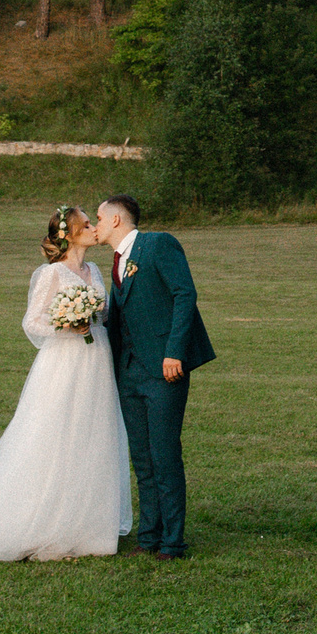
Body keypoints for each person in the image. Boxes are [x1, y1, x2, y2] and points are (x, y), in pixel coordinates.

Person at [0, 205, 131, 565]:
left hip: (96, 359)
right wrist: (67, 324)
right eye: (86, 224)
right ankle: (40, 524)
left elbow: (105, 313)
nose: (93, 228)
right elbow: (32, 323)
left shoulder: (94, 270)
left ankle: (86, 527)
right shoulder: (51, 274)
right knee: (54, 435)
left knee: (92, 435)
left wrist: (92, 315)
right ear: (69, 234)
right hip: (65, 362)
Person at [96, 193, 215, 560]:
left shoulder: (158, 244)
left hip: (165, 369)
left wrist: (174, 351)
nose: (95, 226)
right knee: (143, 459)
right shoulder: (117, 262)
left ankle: (173, 542)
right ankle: (148, 537)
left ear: (116, 220)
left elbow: (184, 293)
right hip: (129, 371)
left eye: (98, 218)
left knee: (164, 455)